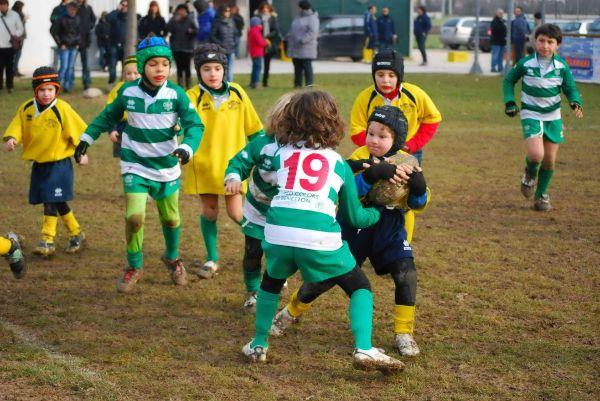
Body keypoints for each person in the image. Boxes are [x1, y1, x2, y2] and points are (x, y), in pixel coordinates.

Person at [240, 90, 404, 374]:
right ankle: (364, 348)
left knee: (271, 283)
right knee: (359, 288)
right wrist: (378, 211)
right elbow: (356, 217)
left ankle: (258, 344)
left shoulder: (281, 153)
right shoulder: (337, 162)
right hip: (317, 237)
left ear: (290, 120)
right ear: (333, 123)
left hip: (276, 231)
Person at [271, 106, 430, 357]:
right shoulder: (358, 156)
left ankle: (404, 333)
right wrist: (370, 175)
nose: (374, 140)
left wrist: (420, 189)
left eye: (382, 135)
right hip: (354, 225)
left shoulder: (407, 163)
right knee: (324, 279)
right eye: (371, 133)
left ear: (396, 140)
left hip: (389, 227)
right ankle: (289, 313)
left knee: (406, 273)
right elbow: (343, 191)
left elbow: (418, 205)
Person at [74, 37, 204, 292]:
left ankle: (172, 257)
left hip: (167, 165)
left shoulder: (176, 94)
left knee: (171, 219)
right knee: (134, 217)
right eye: (153, 64)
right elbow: (106, 117)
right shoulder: (128, 92)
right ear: (143, 65)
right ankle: (133, 265)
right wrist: (85, 139)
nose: (160, 70)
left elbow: (195, 125)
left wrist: (187, 148)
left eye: (165, 64)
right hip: (135, 163)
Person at [184, 43, 264, 279]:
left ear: (224, 69)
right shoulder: (191, 96)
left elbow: (255, 130)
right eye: (207, 69)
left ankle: (270, 246)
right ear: (199, 71)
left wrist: (262, 155)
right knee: (209, 212)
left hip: (234, 167)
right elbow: (182, 125)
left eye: (217, 68)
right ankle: (212, 259)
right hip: (204, 166)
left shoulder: (238, 92)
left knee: (236, 213)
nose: (212, 74)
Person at [350, 49, 441, 242]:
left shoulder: (415, 94)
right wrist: (373, 148)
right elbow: (356, 129)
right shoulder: (364, 98)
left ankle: (401, 242)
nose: (386, 80)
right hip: (373, 155)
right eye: (380, 75)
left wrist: (412, 145)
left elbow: (433, 119)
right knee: (371, 195)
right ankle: (368, 240)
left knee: (403, 197)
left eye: (391, 75)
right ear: (373, 75)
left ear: (399, 76)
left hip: (408, 153)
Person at [3, 67, 87, 257]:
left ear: (56, 89)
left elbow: (78, 133)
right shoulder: (27, 108)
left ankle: (47, 241)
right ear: (35, 90)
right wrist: (12, 139)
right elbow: (17, 126)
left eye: (50, 89)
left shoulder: (62, 109)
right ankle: (76, 233)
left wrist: (81, 153)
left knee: (50, 201)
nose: (46, 93)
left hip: (59, 164)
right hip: (40, 164)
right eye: (42, 90)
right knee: (58, 202)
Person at [503, 24, 583, 211]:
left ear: (558, 45)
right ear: (535, 41)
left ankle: (541, 196)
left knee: (549, 160)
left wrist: (575, 101)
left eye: (550, 42)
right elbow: (508, 80)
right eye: (541, 41)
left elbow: (570, 89)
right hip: (530, 114)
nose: (545, 45)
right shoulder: (526, 63)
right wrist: (509, 102)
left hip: (553, 116)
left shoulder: (562, 67)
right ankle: (530, 174)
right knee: (536, 155)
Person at [224, 93, 292, 311]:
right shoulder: (262, 143)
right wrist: (234, 178)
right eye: (285, 120)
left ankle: (274, 282)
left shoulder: (305, 149)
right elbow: (239, 162)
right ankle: (252, 291)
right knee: (253, 251)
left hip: (285, 212)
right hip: (257, 209)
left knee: (279, 254)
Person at [105, 55, 140, 158]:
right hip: (122, 127)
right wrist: (112, 130)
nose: (132, 77)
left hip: (140, 126)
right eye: (129, 73)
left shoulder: (145, 89)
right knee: (125, 158)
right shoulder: (118, 89)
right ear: (124, 74)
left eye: (136, 73)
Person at [285, 0, 318, 88]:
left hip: (306, 48)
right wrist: (288, 37)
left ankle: (309, 85)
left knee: (307, 67)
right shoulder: (298, 17)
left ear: (303, 7)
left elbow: (313, 32)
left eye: (299, 7)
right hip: (295, 48)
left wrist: (302, 40)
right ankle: (297, 84)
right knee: (297, 67)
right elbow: (292, 29)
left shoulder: (312, 18)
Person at [50, 1, 80, 93]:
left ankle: (67, 86)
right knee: (64, 67)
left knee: (70, 67)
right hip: (64, 46)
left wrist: (78, 42)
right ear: (67, 9)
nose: (73, 11)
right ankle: (56, 86)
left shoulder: (78, 19)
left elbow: (79, 32)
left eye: (74, 10)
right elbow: (53, 31)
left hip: (74, 46)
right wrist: (60, 44)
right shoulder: (61, 19)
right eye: (71, 9)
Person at [166, 3, 197, 89]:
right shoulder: (174, 19)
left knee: (187, 68)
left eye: (183, 10)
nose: (182, 11)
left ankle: (189, 86)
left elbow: (196, 31)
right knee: (179, 68)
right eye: (180, 10)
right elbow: (167, 28)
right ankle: (180, 86)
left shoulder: (190, 19)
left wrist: (192, 31)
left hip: (187, 48)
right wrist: (173, 20)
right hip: (176, 48)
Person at [0, 0, 24, 94]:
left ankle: (10, 86)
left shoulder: (14, 15)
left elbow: (20, 29)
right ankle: (0, 86)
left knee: (10, 67)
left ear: (7, 5)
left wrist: (14, 35)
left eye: (3, 5)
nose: (2, 6)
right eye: (0, 5)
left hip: (10, 46)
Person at [256, 1, 281, 88]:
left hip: (269, 43)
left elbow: (276, 30)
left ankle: (265, 81)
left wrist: (267, 36)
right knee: (258, 63)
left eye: (267, 8)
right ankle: (256, 81)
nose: (265, 10)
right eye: (263, 8)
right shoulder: (258, 18)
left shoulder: (273, 18)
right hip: (259, 42)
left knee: (267, 64)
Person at [209, 5, 236, 83]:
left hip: (231, 48)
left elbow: (235, 34)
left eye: (228, 11)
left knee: (230, 69)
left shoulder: (231, 22)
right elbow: (212, 36)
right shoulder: (216, 22)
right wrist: (220, 45)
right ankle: (222, 85)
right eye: (226, 11)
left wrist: (235, 43)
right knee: (221, 69)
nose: (227, 13)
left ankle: (230, 85)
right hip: (220, 50)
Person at [107, 0, 129, 85]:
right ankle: (111, 82)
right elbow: (108, 18)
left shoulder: (129, 17)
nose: (124, 7)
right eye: (122, 5)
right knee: (112, 64)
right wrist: (117, 10)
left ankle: (123, 82)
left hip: (125, 46)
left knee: (125, 65)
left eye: (126, 6)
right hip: (114, 44)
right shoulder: (115, 15)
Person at [76, 0, 96, 91]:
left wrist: (89, 27)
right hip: (73, 41)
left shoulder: (88, 8)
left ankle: (86, 83)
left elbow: (93, 19)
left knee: (85, 64)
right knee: (70, 65)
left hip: (84, 41)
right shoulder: (73, 7)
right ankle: (67, 85)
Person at [247, 16, 267, 89]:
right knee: (258, 68)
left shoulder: (251, 30)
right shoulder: (256, 31)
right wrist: (266, 43)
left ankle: (252, 83)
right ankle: (256, 83)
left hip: (253, 52)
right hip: (257, 52)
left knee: (255, 68)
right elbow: (260, 42)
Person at [10, 0, 24, 77]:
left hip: (18, 37)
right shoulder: (17, 15)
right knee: (17, 54)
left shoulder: (12, 14)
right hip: (17, 38)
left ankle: (15, 70)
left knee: (16, 54)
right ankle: (14, 71)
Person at [490, 8, 507, 73]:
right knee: (495, 55)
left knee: (501, 56)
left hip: (502, 41)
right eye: (500, 13)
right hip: (496, 41)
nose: (501, 14)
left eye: (502, 13)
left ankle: (500, 68)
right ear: (497, 13)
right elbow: (495, 29)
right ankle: (493, 68)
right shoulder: (495, 21)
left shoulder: (503, 21)